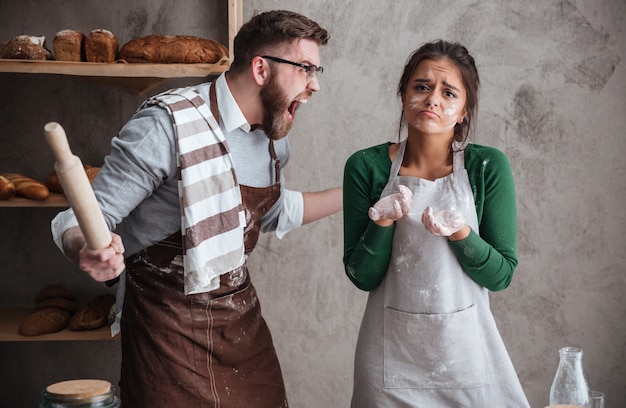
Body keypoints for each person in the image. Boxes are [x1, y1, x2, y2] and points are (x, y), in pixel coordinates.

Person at [51, 10, 341, 407]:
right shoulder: (168, 125)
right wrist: (84, 244)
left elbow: (269, 212)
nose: (315, 85)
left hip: (242, 329)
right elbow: (78, 218)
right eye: (307, 69)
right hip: (166, 336)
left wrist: (359, 194)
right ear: (260, 69)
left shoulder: (273, 140)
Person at [342, 40, 530, 407]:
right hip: (389, 362)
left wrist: (460, 234)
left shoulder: (487, 167)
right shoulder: (366, 167)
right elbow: (361, 276)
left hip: (464, 358)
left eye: (449, 92)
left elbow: (501, 275)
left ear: (463, 111)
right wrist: (383, 221)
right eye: (422, 87)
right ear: (403, 94)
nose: (432, 99)